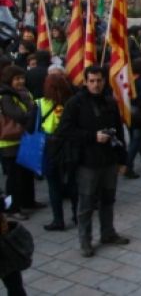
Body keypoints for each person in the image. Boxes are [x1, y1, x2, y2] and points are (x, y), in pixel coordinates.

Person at [57, 66, 130, 257]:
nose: (96, 84)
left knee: (108, 199)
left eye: (99, 80)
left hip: (109, 160)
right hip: (87, 162)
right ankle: (85, 241)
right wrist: (92, 136)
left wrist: (123, 159)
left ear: (104, 81)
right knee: (87, 204)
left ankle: (108, 232)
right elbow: (65, 130)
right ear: (85, 81)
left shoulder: (110, 102)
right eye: (92, 81)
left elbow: (119, 131)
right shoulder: (75, 103)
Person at [38, 73, 77, 231]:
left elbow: (30, 126)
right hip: (70, 145)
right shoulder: (73, 102)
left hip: (50, 146)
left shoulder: (40, 104)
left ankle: (58, 220)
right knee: (74, 182)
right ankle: (76, 215)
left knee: (53, 185)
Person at [0, 66, 38, 221]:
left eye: (22, 78)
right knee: (14, 177)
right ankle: (13, 208)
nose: (21, 81)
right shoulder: (6, 96)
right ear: (10, 80)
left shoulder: (24, 92)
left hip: (23, 138)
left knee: (26, 173)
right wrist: (33, 112)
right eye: (17, 79)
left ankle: (28, 201)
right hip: (9, 142)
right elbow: (19, 115)